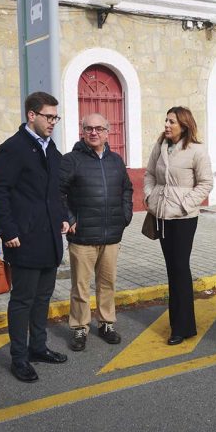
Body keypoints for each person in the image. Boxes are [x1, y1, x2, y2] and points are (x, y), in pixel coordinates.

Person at [0, 91, 69, 383]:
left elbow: (54, 193)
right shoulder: (14, 148)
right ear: (31, 115)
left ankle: (38, 347)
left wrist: (62, 216)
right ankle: (19, 358)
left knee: (43, 297)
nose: (53, 122)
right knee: (22, 300)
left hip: (49, 239)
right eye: (49, 117)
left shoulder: (51, 150)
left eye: (55, 117)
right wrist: (7, 231)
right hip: (23, 239)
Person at [59, 113, 133, 351]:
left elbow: (127, 189)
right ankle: (79, 328)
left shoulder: (116, 160)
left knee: (107, 283)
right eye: (89, 128)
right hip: (82, 237)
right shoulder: (71, 160)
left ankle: (106, 324)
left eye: (99, 128)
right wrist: (69, 218)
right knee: (80, 286)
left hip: (111, 235)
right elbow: (58, 192)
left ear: (107, 131)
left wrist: (125, 215)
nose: (94, 132)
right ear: (83, 131)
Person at [144, 106, 213, 345]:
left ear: (184, 125)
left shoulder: (197, 150)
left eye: (171, 121)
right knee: (172, 269)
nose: (166, 125)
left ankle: (181, 328)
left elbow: (206, 183)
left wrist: (186, 203)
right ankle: (180, 325)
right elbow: (149, 174)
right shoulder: (160, 146)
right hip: (162, 215)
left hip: (184, 217)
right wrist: (149, 197)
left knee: (181, 268)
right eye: (166, 120)